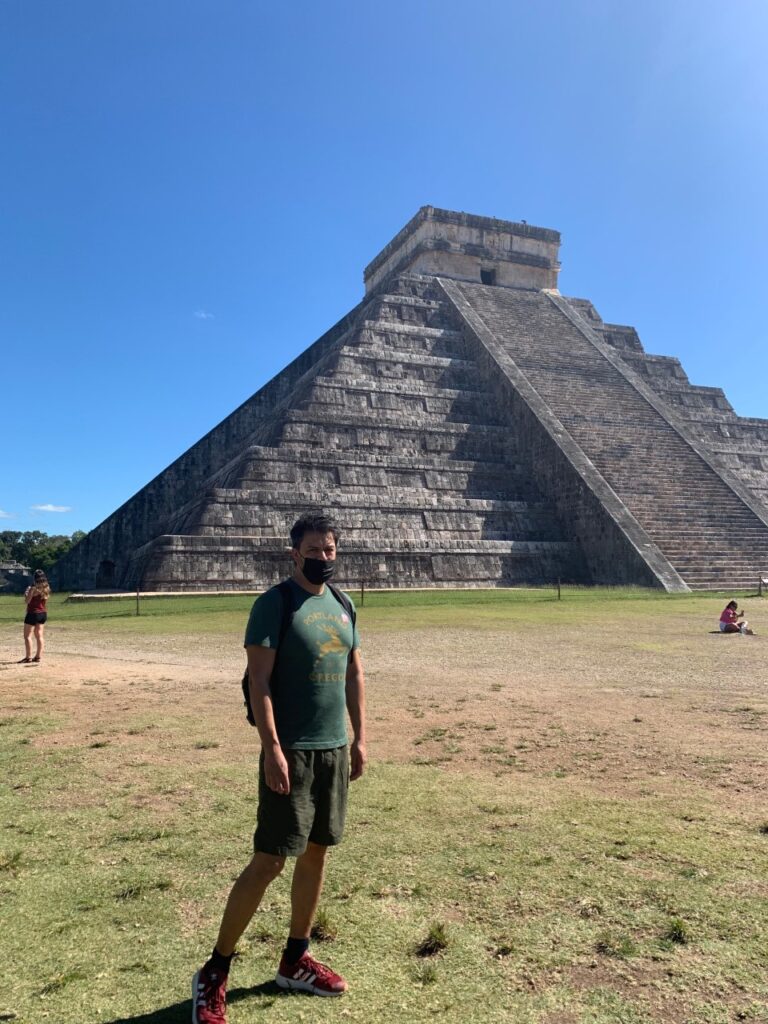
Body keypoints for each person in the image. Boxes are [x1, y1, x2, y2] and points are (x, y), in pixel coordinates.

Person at [192, 511, 367, 1024]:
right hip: (291, 748)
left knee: (317, 853)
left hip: (333, 747)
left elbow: (354, 671)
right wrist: (271, 746)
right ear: (294, 552)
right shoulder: (274, 604)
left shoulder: (343, 604)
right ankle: (215, 970)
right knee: (270, 859)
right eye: (313, 549)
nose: (323, 557)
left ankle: (295, 959)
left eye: (330, 549)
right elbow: (259, 682)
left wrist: (360, 738)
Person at [20, 569, 50, 663]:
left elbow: (27, 601)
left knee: (27, 636)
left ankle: (28, 657)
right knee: (39, 636)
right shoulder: (46, 587)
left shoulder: (33, 588)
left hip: (33, 613)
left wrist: (27, 593)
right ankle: (38, 656)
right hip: (42, 613)